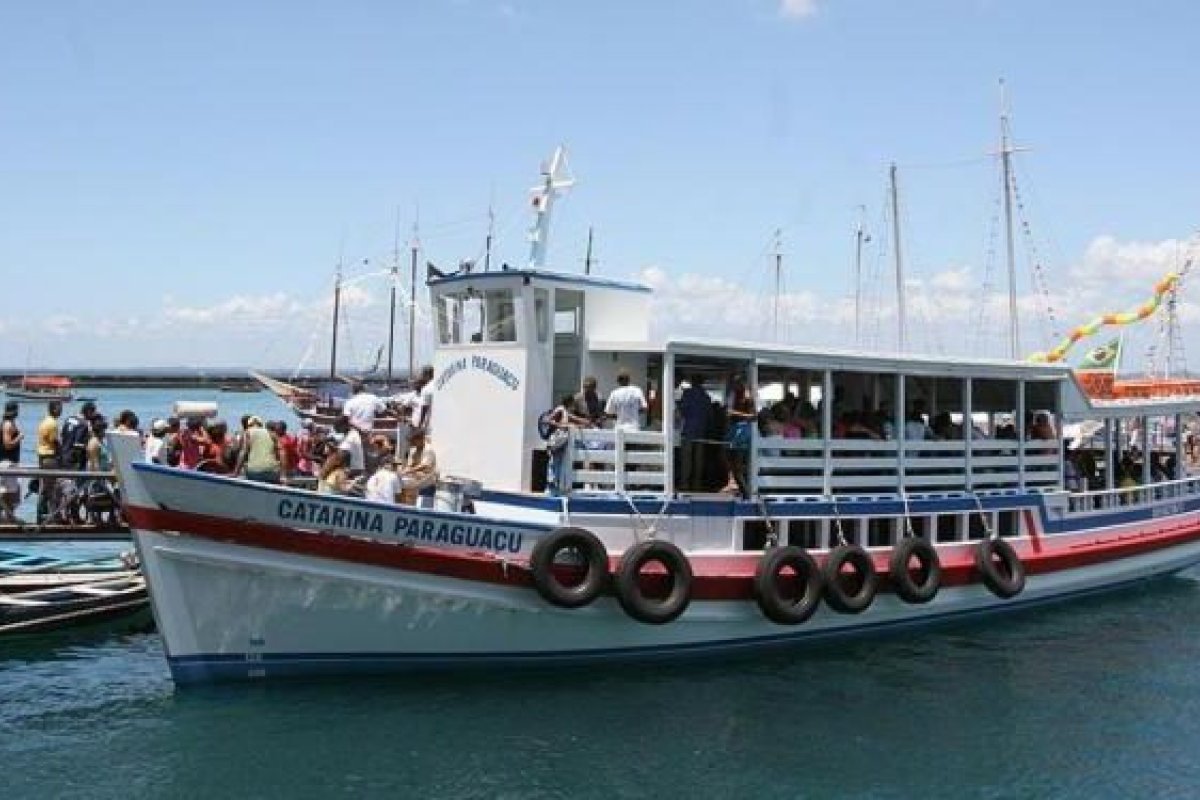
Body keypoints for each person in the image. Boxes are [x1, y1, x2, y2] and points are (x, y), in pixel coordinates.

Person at [545, 393, 589, 496]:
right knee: (554, 462)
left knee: (560, 463)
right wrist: (562, 425)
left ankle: (556, 487)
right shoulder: (560, 409)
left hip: (562, 441)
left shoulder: (565, 411)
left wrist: (584, 423)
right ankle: (551, 487)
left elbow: (573, 418)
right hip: (557, 440)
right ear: (570, 402)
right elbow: (548, 420)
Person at [677, 374, 711, 491]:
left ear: (692, 382)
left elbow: (683, 410)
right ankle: (697, 485)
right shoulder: (706, 397)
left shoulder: (687, 393)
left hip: (688, 429)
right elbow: (709, 415)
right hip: (701, 430)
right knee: (698, 460)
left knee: (686, 459)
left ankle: (684, 484)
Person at [36, 400, 63, 524]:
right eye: (59, 408)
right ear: (53, 409)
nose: (61, 410)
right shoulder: (53, 423)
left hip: (42, 456)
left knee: (46, 487)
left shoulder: (44, 421)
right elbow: (55, 442)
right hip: (50, 457)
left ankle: (43, 513)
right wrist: (62, 454)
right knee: (50, 488)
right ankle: (47, 515)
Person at [399, 428, 438, 507]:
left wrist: (409, 471)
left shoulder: (428, 450)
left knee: (424, 506)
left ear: (420, 439)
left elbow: (425, 465)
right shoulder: (413, 450)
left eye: (413, 440)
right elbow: (410, 465)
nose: (411, 442)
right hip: (415, 480)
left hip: (427, 482)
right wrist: (403, 471)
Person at [236, 416, 281, 484]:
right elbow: (281, 454)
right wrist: (284, 475)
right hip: (272, 472)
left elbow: (244, 452)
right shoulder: (272, 434)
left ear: (249, 425)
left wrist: (236, 472)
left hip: (254, 472)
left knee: (248, 470)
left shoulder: (248, 432)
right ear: (261, 425)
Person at [0, 402, 22, 524]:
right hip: (7, 462)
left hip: (8, 462)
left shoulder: (7, 423)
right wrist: (19, 438)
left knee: (10, 492)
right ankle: (8, 518)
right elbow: (7, 444)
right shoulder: (8, 425)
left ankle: (9, 517)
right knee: (7, 492)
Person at [60, 401, 98, 471]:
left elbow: (62, 436)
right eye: (92, 413)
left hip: (63, 455)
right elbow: (77, 444)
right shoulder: (83, 424)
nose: (92, 416)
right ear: (88, 411)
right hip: (73, 460)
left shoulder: (69, 419)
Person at [412, 365, 436, 438]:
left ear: (427, 375)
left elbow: (424, 408)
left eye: (423, 375)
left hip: (431, 424)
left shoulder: (427, 389)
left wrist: (420, 425)